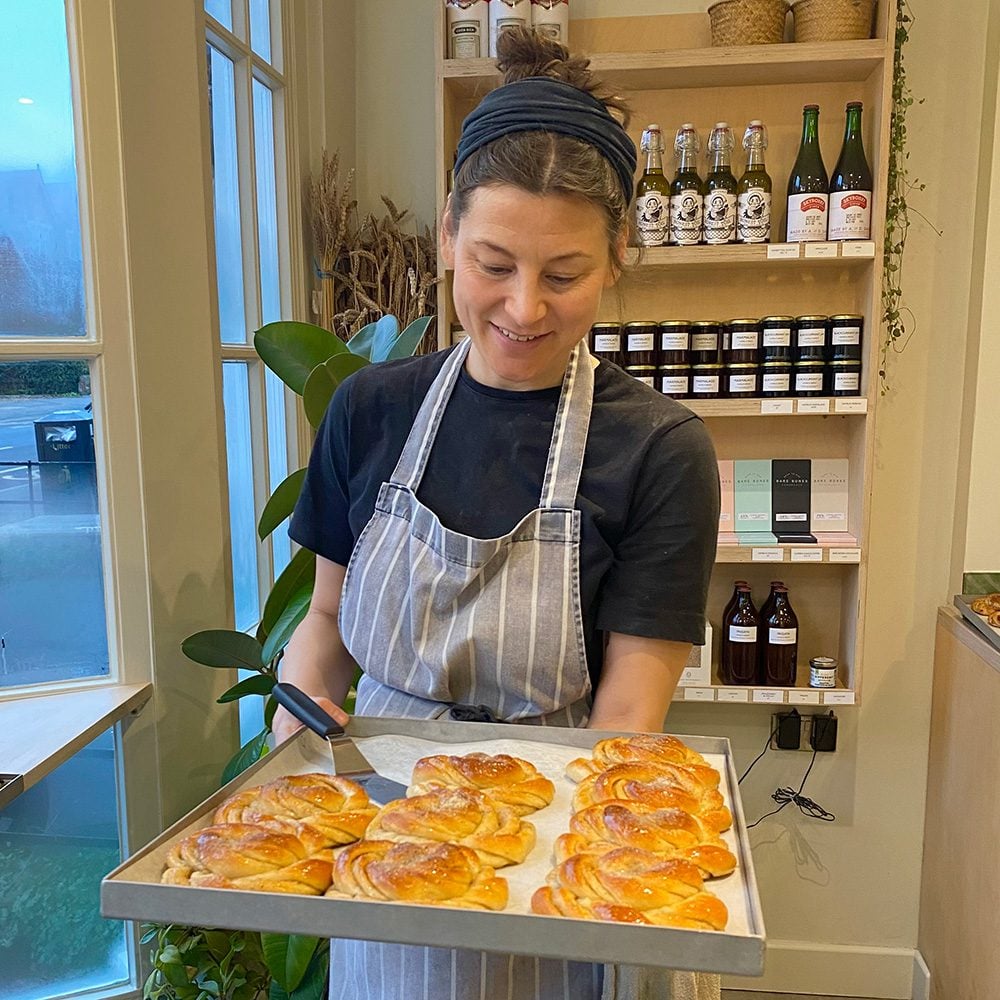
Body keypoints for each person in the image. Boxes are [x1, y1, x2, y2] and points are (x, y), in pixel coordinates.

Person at [275, 26, 720, 1000]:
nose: (523, 308)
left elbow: (627, 718)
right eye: (491, 263)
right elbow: (322, 626)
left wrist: (558, 869)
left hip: (552, 856)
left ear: (617, 258)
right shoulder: (370, 409)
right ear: (446, 235)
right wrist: (293, 764)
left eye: (564, 274)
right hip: (385, 854)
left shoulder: (657, 449)